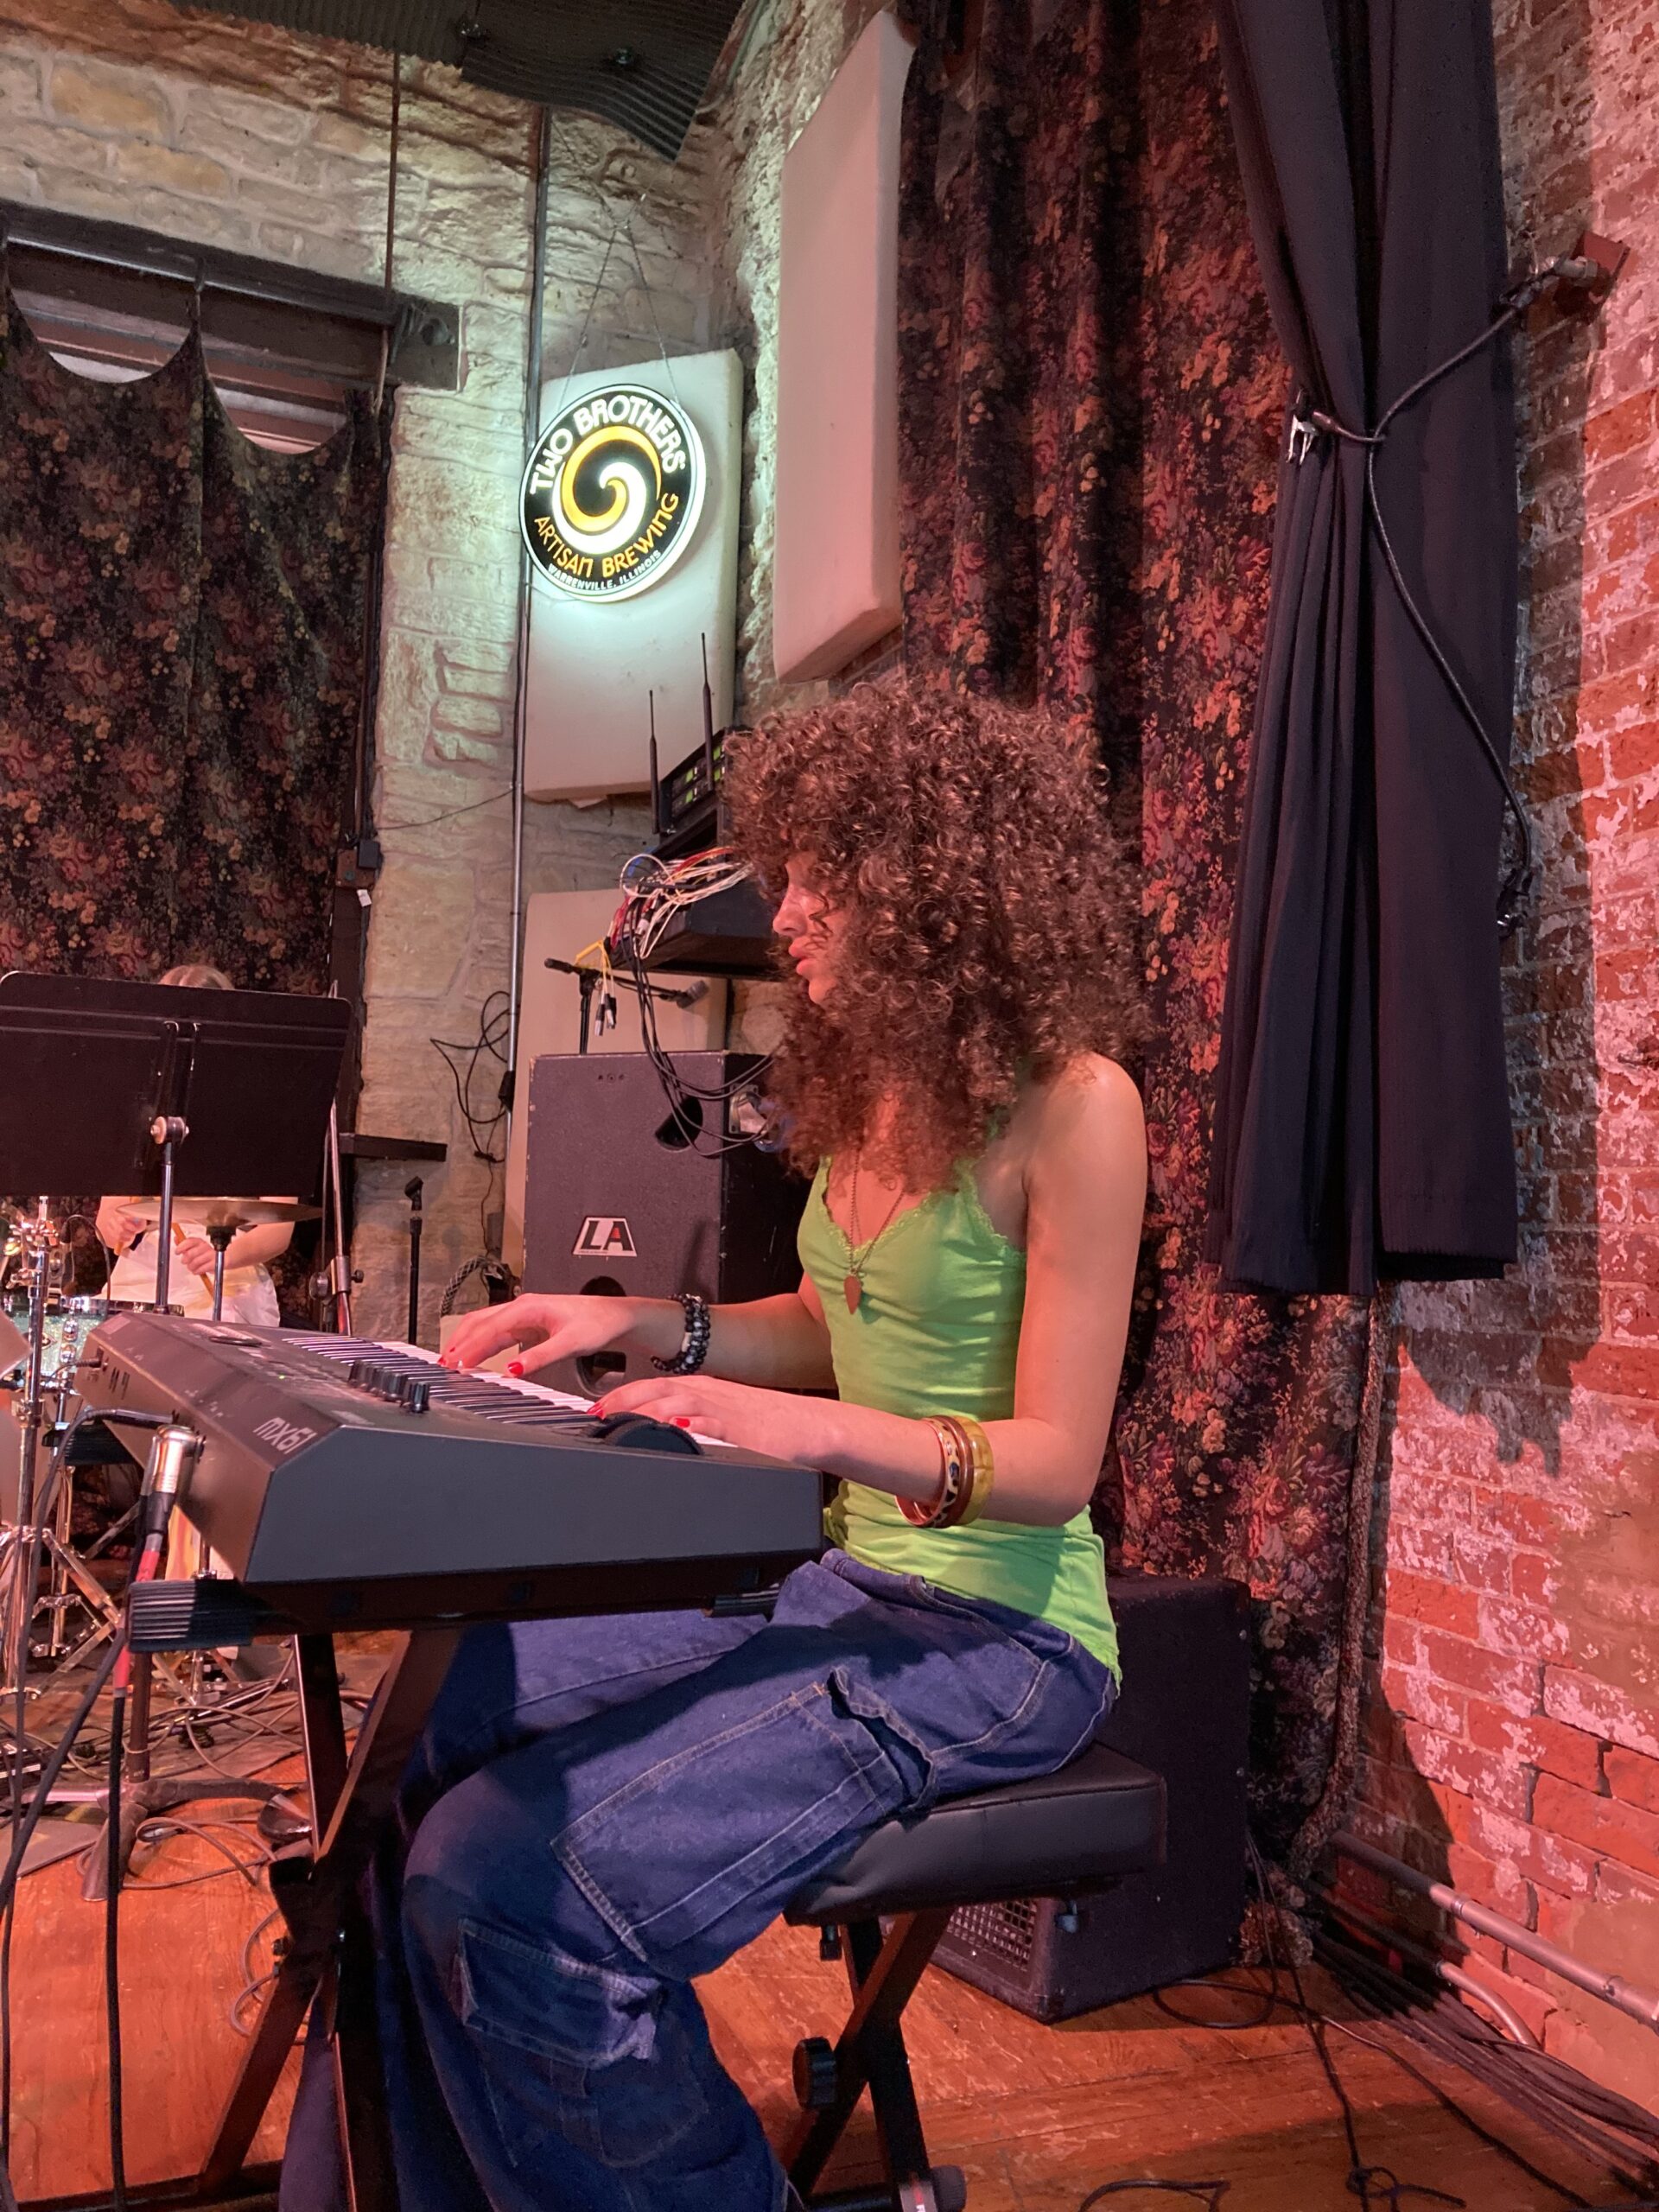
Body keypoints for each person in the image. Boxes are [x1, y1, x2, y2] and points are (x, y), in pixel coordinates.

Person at [282, 683, 1148, 2212]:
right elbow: (822, 1322)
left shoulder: (1078, 1106)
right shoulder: (873, 1081)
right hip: (842, 1581)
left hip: (999, 1633)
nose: (788, 905)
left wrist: (794, 1428)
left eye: (821, 870)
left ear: (934, 872)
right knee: (426, 1731)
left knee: (509, 1889)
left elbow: (1055, 1462)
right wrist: (639, 1330)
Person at [93, 963, 292, 1325]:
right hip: (145, 1273)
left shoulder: (262, 1109)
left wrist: (224, 1254)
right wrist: (114, 1228)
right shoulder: (140, 1108)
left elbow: (280, 1228)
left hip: (228, 1267)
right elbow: (109, 1218)